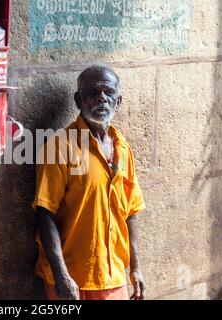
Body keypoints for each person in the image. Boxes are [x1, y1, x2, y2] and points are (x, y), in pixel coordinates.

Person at [32, 65, 147, 300]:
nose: (101, 98)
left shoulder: (121, 147)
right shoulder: (60, 146)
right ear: (78, 99)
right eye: (93, 92)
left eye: (108, 92)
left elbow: (131, 212)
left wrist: (135, 268)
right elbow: (45, 213)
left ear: (119, 100)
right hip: (72, 278)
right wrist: (61, 275)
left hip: (113, 274)